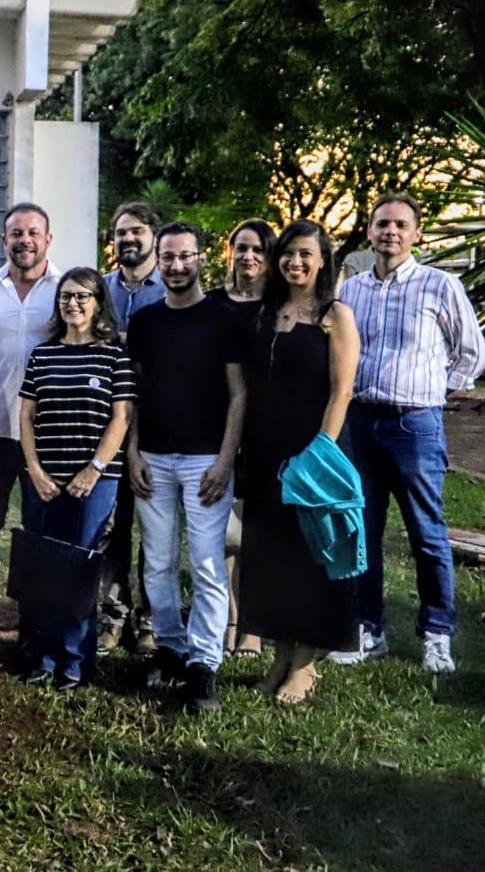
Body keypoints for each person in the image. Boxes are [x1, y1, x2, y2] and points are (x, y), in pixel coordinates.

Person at [334, 193, 485, 674]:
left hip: (414, 424)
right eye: (382, 224)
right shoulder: (353, 290)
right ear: (370, 231)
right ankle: (368, 629)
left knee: (427, 533)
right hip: (361, 420)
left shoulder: (439, 285)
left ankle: (436, 633)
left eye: (401, 224)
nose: (390, 232)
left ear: (417, 233)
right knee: (366, 530)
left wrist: (433, 390)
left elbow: (473, 355)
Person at [126, 221, 249, 713]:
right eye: (168, 257)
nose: (176, 266)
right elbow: (130, 392)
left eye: (185, 256)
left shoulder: (223, 318)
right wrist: (132, 451)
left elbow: (239, 395)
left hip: (204, 460)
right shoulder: (146, 321)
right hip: (152, 457)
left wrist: (225, 458)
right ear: (158, 259)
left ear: (202, 258)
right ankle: (172, 647)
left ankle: (203, 664)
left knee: (205, 563)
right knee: (156, 564)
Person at [239, 220, 362, 702]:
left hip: (316, 453)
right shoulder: (269, 313)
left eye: (306, 255)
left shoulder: (336, 315)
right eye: (288, 254)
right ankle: (280, 655)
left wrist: (317, 457)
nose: (296, 262)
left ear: (322, 261)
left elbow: (343, 391)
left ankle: (306, 664)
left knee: (313, 556)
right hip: (268, 450)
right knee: (272, 557)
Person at [17, 267, 135, 691]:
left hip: (96, 480)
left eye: (83, 296)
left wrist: (94, 469)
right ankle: (40, 655)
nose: (73, 303)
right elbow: (27, 416)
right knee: (44, 567)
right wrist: (34, 469)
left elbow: (121, 418)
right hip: (42, 477)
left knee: (82, 567)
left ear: (99, 302)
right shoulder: (42, 355)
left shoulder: (114, 356)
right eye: (66, 296)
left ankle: (75, 659)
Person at [0, 202, 60, 636]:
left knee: (39, 532)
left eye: (33, 233)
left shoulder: (66, 290)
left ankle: (35, 624)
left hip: (46, 437)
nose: (25, 241)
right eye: (16, 234)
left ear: (47, 240)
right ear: (4, 240)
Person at [97, 201, 165, 656]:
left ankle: (154, 618)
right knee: (111, 526)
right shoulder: (99, 289)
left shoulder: (172, 287)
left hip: (161, 423)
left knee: (157, 528)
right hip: (107, 424)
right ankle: (113, 614)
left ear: (154, 237)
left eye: (136, 231)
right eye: (121, 233)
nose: (128, 239)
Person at [207, 218, 276, 657]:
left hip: (268, 425)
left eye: (258, 249)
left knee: (257, 532)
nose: (248, 256)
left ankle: (253, 625)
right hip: (215, 421)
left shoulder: (279, 305)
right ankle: (230, 617)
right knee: (223, 529)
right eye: (242, 248)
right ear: (230, 252)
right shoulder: (212, 304)